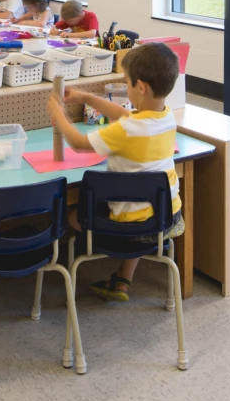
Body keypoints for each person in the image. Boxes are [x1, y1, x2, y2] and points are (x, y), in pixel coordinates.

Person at [47, 41, 183, 303]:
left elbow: (78, 143)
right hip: (164, 220)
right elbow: (124, 114)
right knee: (137, 206)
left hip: (124, 229)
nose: (127, 88)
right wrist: (86, 98)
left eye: (127, 83)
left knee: (67, 215)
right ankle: (123, 280)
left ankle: (53, 276)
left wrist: (58, 114)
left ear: (140, 87)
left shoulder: (126, 131)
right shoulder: (166, 116)